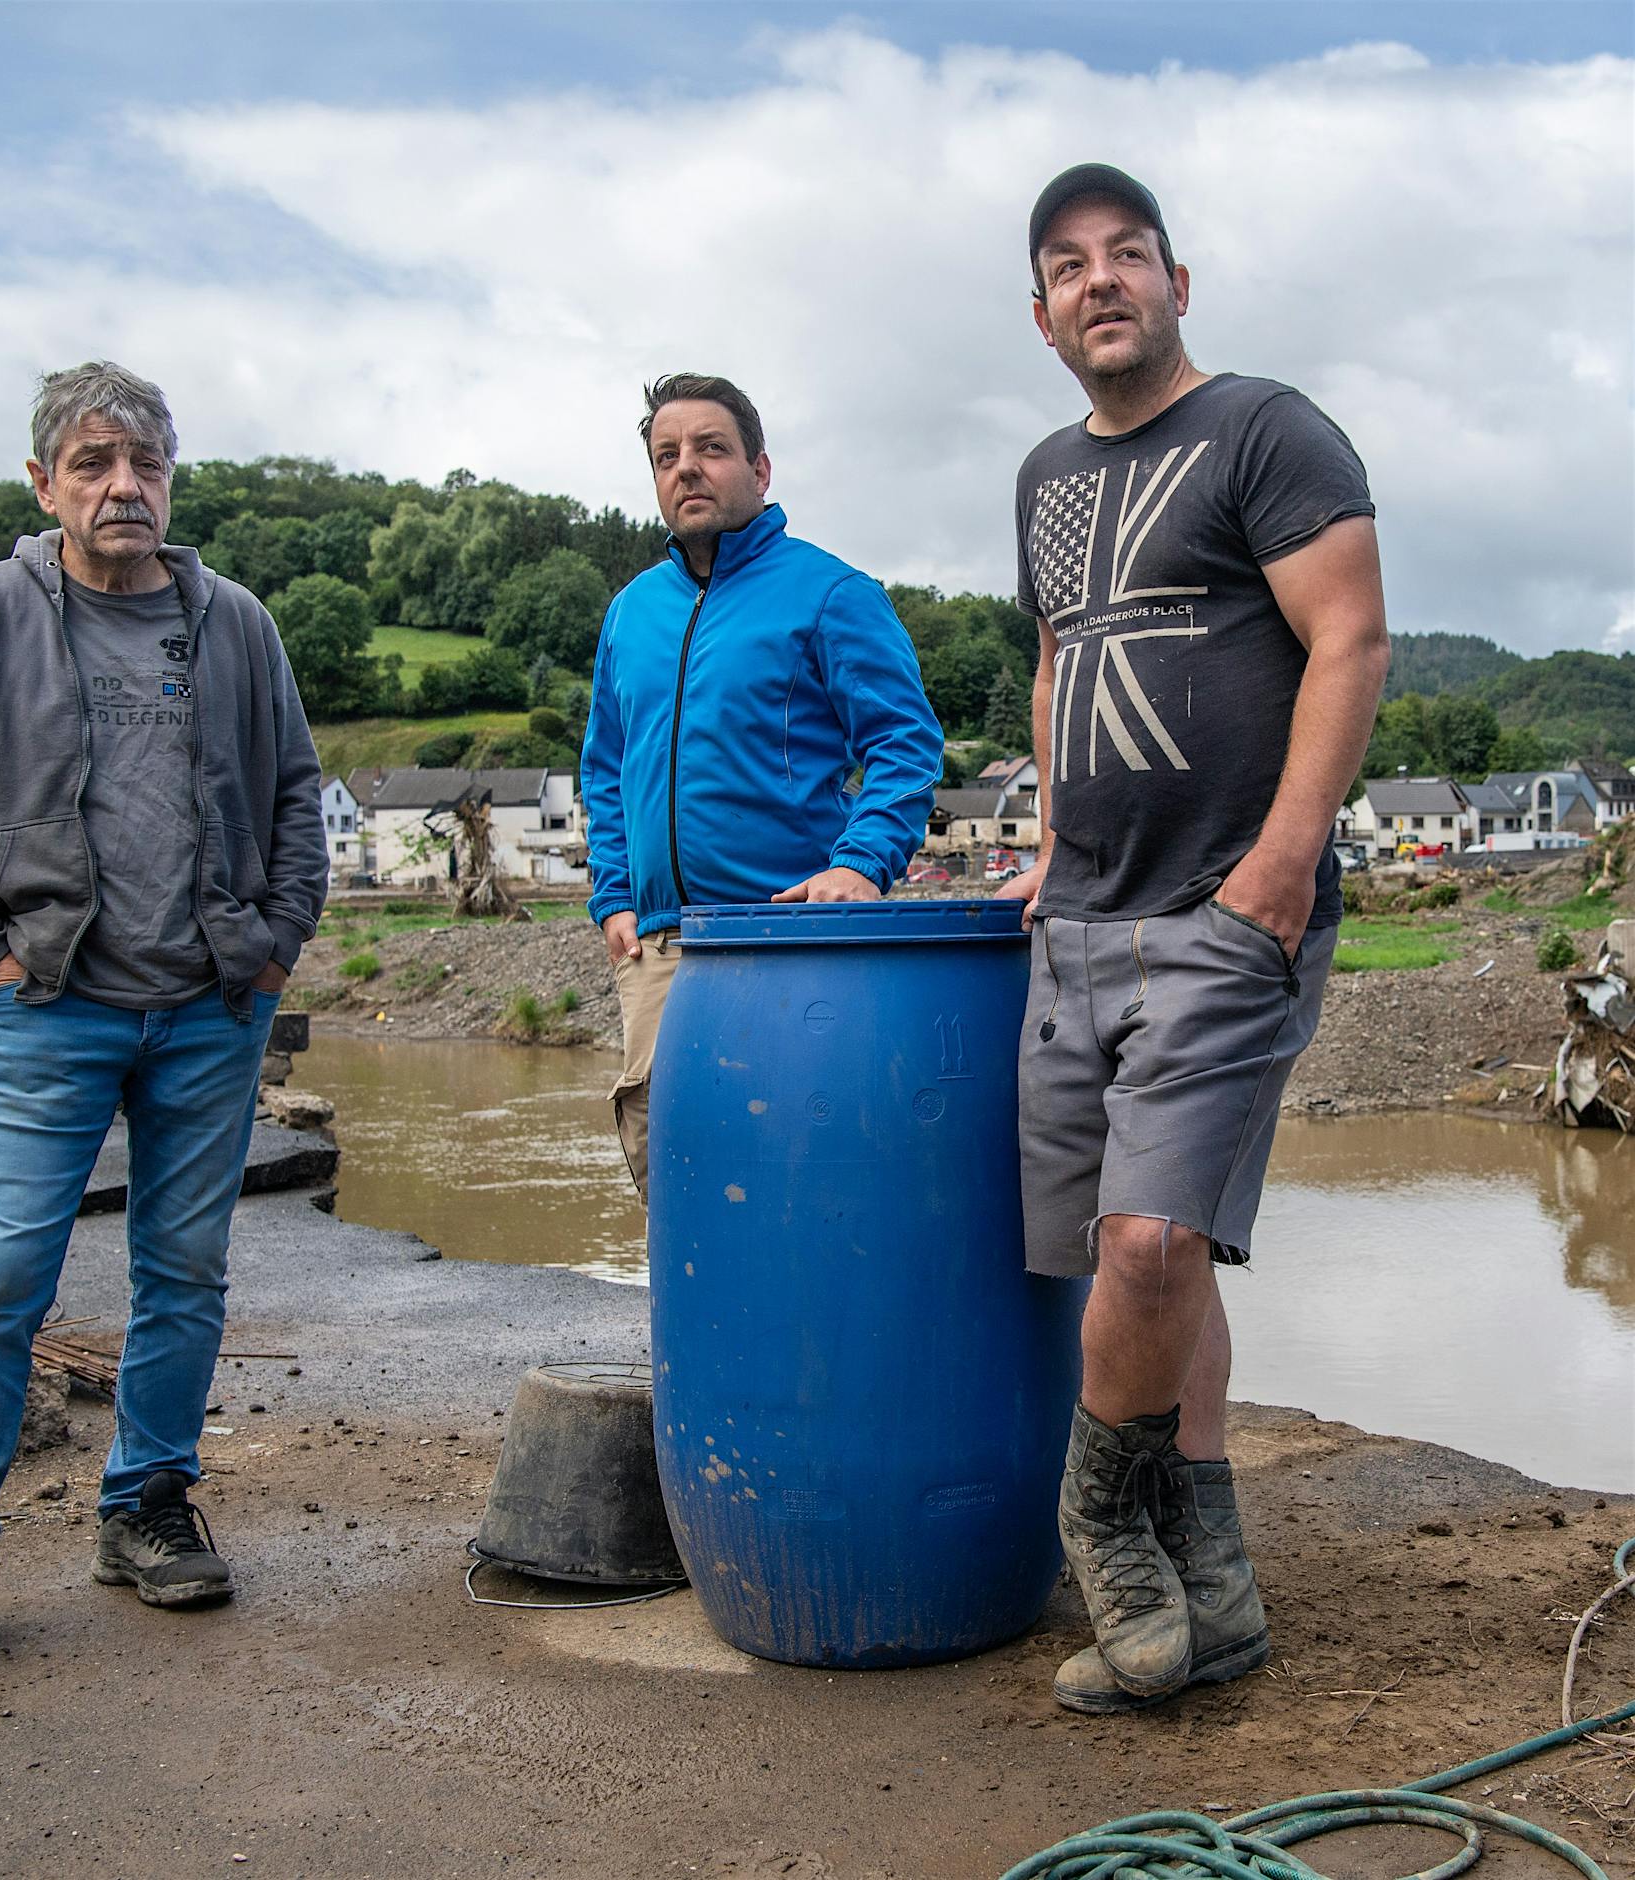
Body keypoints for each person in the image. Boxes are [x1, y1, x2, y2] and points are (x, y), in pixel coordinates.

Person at [0, 361, 329, 1686]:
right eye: (95, 462)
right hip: (50, 1005)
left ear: (171, 482)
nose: (125, 487)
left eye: (147, 465)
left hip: (209, 1008)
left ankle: (147, 1506)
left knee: (186, 1271)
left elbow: (295, 789)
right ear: (44, 481)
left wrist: (278, 943)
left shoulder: (232, 620)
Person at [1005, 167, 1389, 1711]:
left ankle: (1098, 1519)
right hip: (1084, 913)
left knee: (1155, 1240)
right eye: (1069, 266)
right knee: (1143, 1247)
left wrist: (1286, 862)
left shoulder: (1268, 431)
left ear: (1178, 281)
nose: (1103, 282)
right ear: (1040, 313)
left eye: (1128, 257)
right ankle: (1213, 1590)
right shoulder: (1041, 473)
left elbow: (1350, 637)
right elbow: (1053, 655)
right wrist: (1045, 839)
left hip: (1230, 907)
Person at [581, 373, 944, 1205]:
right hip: (662, 946)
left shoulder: (831, 594)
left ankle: (810, 1337)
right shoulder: (630, 612)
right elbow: (605, 766)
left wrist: (860, 864)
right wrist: (613, 898)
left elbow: (905, 740)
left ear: (761, 469)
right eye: (666, 455)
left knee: (797, 1168)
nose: (688, 470)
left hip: (789, 939)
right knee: (671, 1168)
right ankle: (701, 1338)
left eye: (711, 448)